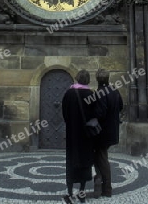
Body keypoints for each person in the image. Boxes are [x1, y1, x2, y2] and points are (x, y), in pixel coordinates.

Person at [62, 70, 96, 204]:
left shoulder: (69, 93)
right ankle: (82, 193)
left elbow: (64, 112)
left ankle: (70, 193)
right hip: (86, 135)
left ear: (77, 79)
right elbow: (94, 113)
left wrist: (70, 123)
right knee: (85, 162)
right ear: (87, 80)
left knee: (71, 162)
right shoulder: (91, 94)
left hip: (72, 134)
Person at [93, 69, 123, 198]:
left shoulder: (100, 93)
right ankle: (100, 184)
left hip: (102, 132)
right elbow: (121, 106)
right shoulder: (114, 91)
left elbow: (100, 113)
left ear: (97, 80)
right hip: (112, 130)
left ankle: (106, 188)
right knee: (100, 157)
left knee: (102, 158)